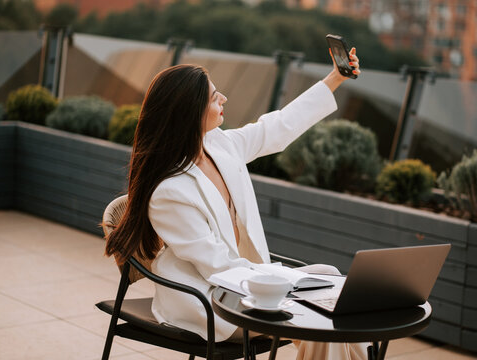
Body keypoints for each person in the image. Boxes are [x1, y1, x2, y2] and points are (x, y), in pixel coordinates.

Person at [106, 48, 366, 359]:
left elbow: (280, 126)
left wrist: (335, 77)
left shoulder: (220, 146)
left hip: (250, 283)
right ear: (190, 112)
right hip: (211, 298)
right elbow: (218, 267)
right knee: (319, 321)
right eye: (215, 97)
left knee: (331, 285)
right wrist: (286, 282)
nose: (224, 99)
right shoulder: (169, 192)